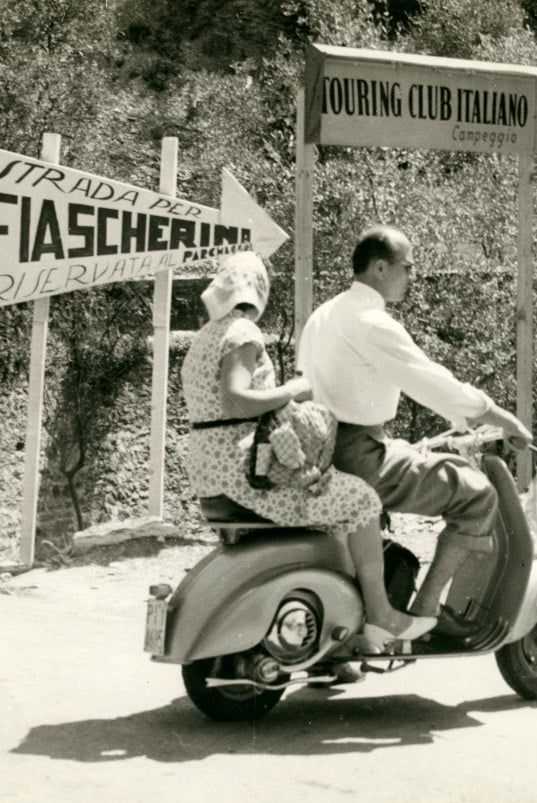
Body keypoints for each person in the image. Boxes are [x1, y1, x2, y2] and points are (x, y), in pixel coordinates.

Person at [180, 250, 435, 649]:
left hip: (212, 472)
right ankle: (383, 616)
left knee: (331, 520)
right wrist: (294, 391)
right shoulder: (242, 332)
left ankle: (337, 645)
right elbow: (235, 400)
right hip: (246, 472)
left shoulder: (205, 336)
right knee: (362, 502)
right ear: (256, 291)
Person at [296, 224, 532, 621]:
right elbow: (435, 384)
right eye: (407, 266)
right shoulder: (373, 322)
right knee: (476, 493)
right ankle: (427, 609)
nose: (413, 276)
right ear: (380, 268)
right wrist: (504, 419)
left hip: (320, 451)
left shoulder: (324, 314)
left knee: (417, 456)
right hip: (358, 455)